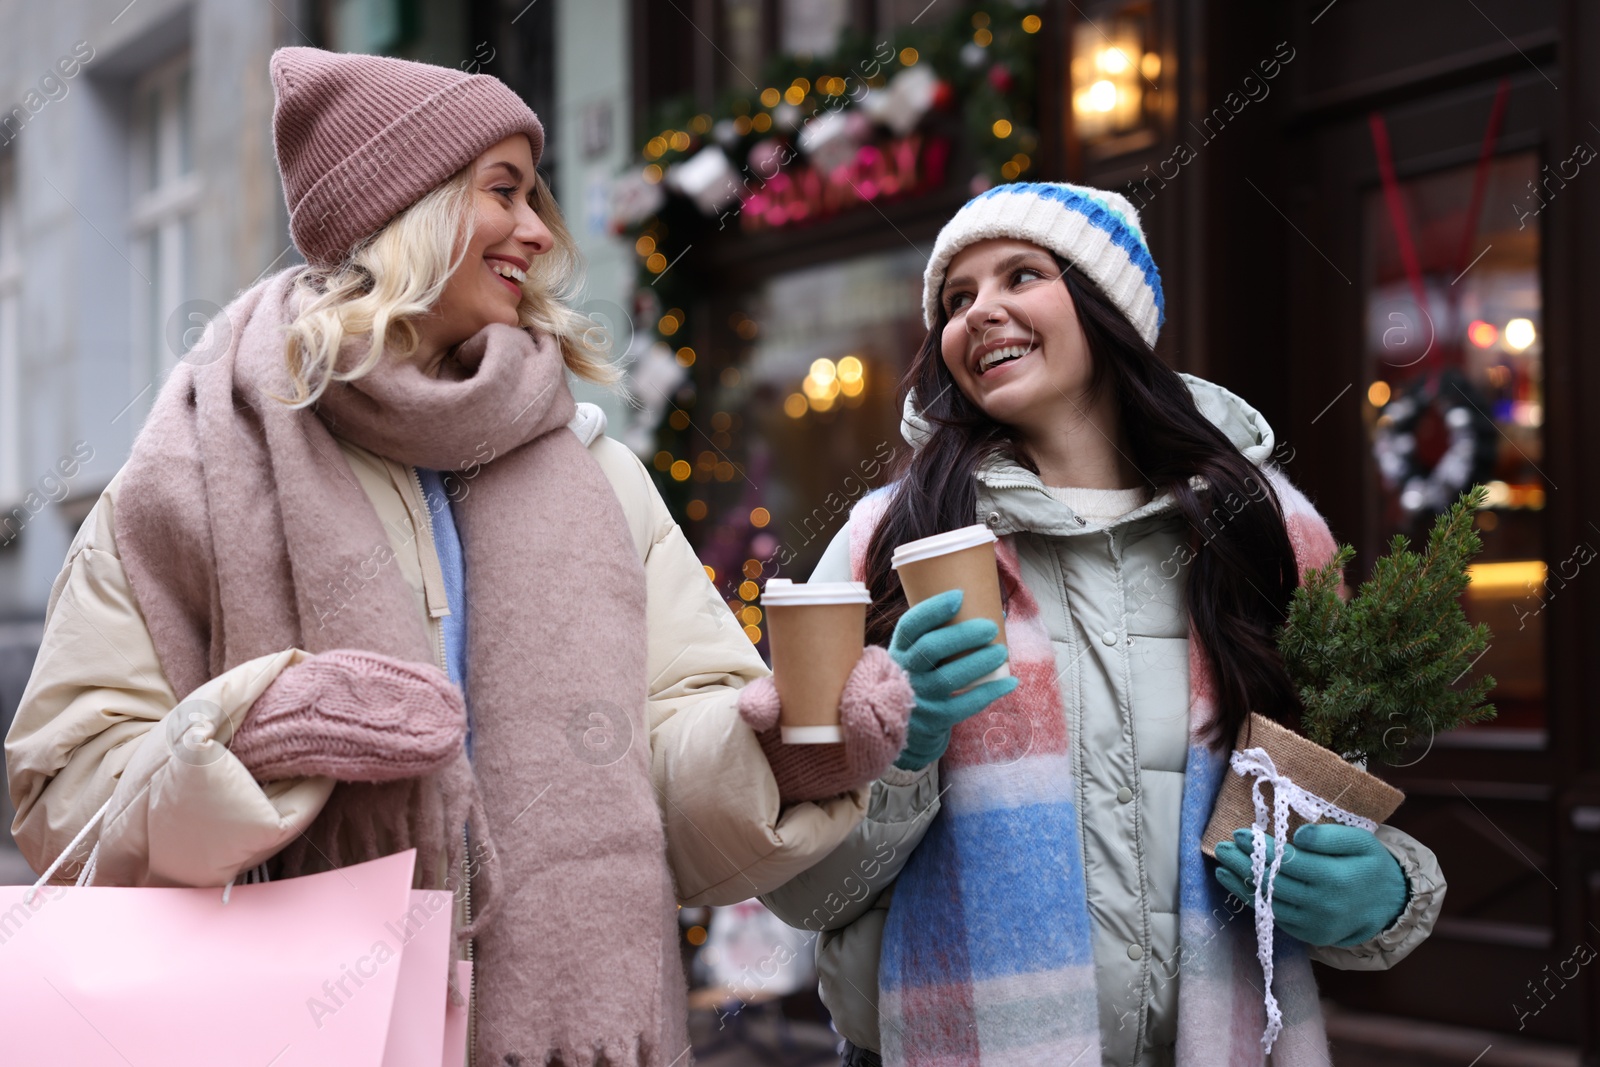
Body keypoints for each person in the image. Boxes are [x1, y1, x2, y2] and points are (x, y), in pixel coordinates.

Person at [4, 47, 914, 1067]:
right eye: (504, 191)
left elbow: (658, 753)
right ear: (408, 209)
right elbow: (63, 789)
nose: (537, 230)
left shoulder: (597, 471)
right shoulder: (188, 473)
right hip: (296, 1034)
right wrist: (244, 736)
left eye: (539, 195)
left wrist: (782, 754)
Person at [760, 182, 1448, 1067]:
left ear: (1106, 305)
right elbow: (802, 887)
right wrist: (903, 751)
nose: (982, 311)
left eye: (1021, 275)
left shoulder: (1266, 534)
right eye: (957, 299)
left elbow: (1327, 802)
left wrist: (1387, 891)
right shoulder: (885, 546)